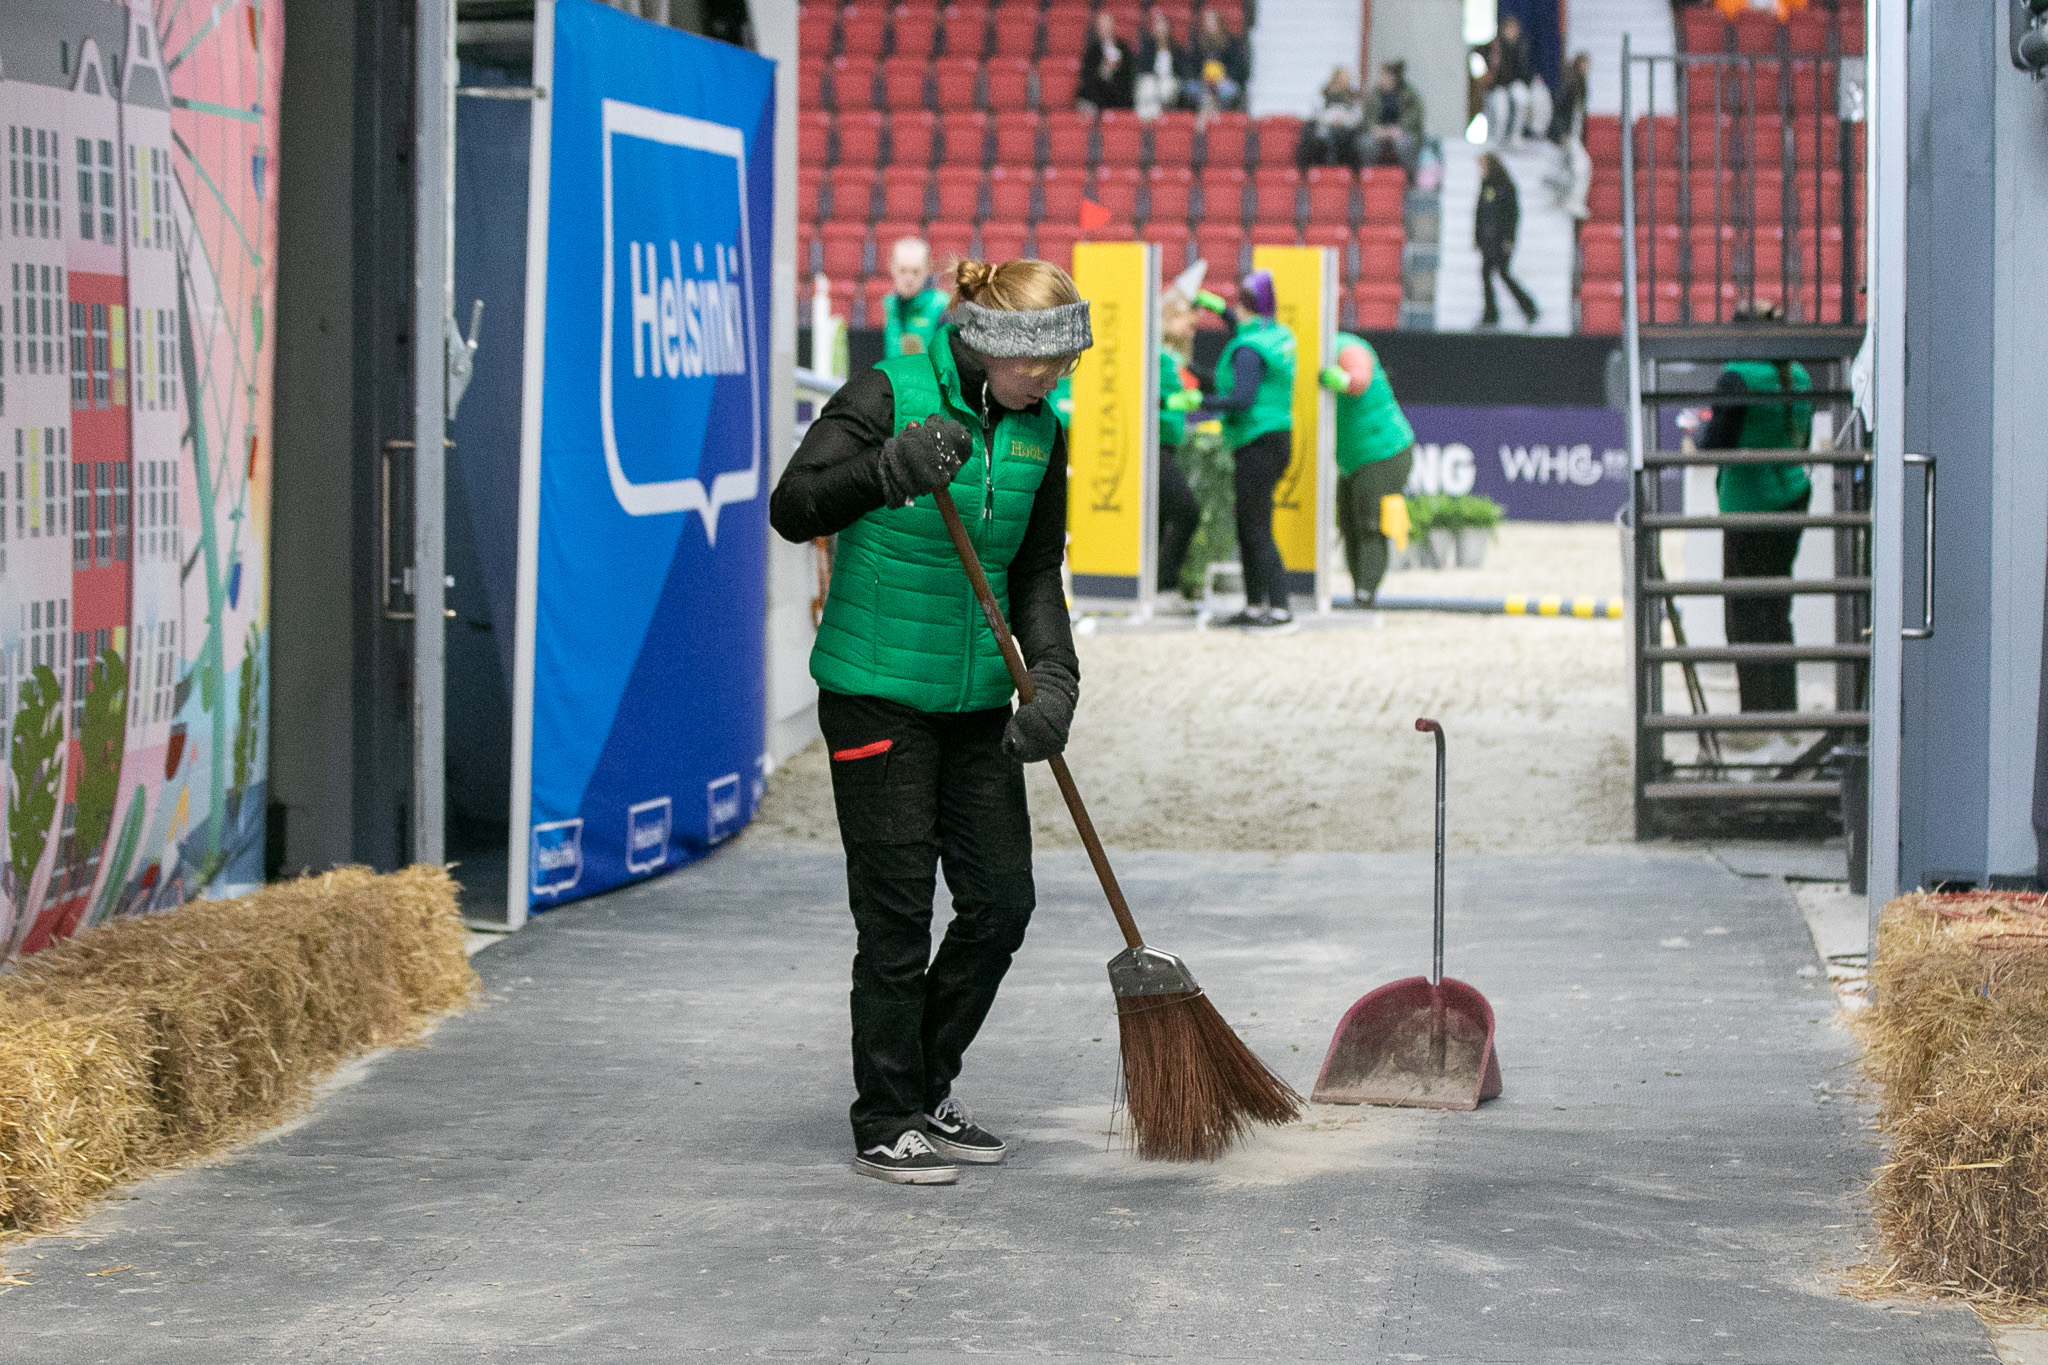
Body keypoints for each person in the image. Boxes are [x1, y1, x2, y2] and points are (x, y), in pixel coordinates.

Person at [768, 258, 1090, 1186]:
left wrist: (1055, 677)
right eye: (1037, 363)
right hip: (877, 691)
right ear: (986, 342)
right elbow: (793, 505)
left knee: (1002, 902)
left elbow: (1034, 571)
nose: (1049, 380)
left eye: (1064, 364)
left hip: (979, 701)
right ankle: (885, 1115)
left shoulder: (1042, 432)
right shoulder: (888, 391)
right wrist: (887, 469)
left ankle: (925, 1083)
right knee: (898, 917)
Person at [1697, 301, 1813, 731]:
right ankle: (1783, 712)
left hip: (1748, 503)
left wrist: (1698, 433)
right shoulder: (1798, 373)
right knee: (1776, 610)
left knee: (1744, 616)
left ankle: (1757, 718)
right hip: (1792, 494)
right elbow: (1800, 440)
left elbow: (1716, 443)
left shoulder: (1738, 375)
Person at [1195, 270, 1298, 630]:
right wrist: (1216, 308)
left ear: (1245, 307)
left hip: (1256, 442)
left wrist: (1197, 400)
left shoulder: (1249, 350)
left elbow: (1240, 400)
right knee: (1248, 525)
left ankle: (1280, 608)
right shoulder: (1277, 335)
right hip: (1276, 438)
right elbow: (1239, 324)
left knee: (1255, 528)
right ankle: (1255, 606)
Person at [1320, 332, 1415, 606]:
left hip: (1383, 451)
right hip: (1351, 459)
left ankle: (1365, 593)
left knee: (1370, 524)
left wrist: (1339, 380)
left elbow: (1359, 381)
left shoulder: (1347, 347)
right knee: (1348, 524)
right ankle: (1359, 590)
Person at [1156, 286, 1205, 596]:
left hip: (1170, 443)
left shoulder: (1175, 357)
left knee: (1163, 516)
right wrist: (1171, 403)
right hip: (1155, 445)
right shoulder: (1156, 354)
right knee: (1186, 511)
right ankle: (1165, 583)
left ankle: (1159, 585)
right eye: (1188, 321)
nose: (1193, 329)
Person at [1475, 153, 1538, 328]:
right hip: (1488, 240)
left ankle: (1528, 308)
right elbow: (1480, 213)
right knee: (1488, 274)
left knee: (1503, 273)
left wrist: (1509, 238)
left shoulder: (1506, 186)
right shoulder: (1486, 185)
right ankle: (1492, 314)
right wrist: (1477, 237)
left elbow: (1512, 215)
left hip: (1500, 240)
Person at [881, 237, 950, 359]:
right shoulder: (889, 303)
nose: (909, 279)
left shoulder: (942, 305)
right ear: (891, 266)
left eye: (916, 271)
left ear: (928, 269)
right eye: (903, 270)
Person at [1544, 51, 1592, 219]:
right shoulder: (1570, 84)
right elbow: (1559, 110)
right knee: (1581, 166)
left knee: (1565, 168)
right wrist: (1561, 132)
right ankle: (1574, 201)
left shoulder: (1580, 85)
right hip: (1568, 134)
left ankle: (1561, 198)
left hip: (1573, 134)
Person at [1364, 60, 1425, 178]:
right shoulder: (1375, 94)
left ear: (1393, 78)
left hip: (1402, 132)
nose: (1381, 79)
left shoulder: (1410, 94)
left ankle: (1408, 178)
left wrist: (1398, 129)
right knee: (1366, 144)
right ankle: (1371, 177)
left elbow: (1414, 117)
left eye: (1384, 76)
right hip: (1378, 132)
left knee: (1404, 145)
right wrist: (1376, 129)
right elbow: (1368, 118)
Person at [1296, 67, 1364, 171]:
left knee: (1350, 141)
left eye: (1345, 80)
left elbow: (1357, 117)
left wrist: (1343, 121)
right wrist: (1331, 119)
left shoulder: (1353, 97)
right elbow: (1316, 113)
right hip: (1325, 130)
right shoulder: (1323, 94)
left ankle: (1349, 172)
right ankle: (1307, 171)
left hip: (1346, 131)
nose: (1342, 83)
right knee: (1311, 137)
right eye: (1340, 79)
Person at [1483, 14, 1537, 144]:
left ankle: (1516, 135)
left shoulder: (1522, 47)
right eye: (1509, 29)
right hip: (1498, 87)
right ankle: (1497, 139)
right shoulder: (1495, 47)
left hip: (1515, 85)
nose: (1511, 32)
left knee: (1521, 98)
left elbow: (1526, 70)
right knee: (1500, 110)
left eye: (1514, 29)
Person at [1187, 6, 1247, 112]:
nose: (1210, 24)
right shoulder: (1197, 43)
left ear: (1219, 22)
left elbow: (1238, 66)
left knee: (1228, 90)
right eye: (1207, 21)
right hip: (1202, 81)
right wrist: (1204, 78)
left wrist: (1223, 77)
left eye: (1212, 21)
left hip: (1224, 81)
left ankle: (1216, 115)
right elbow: (1191, 65)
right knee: (1191, 88)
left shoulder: (1231, 43)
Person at [1135, 7, 1190, 118]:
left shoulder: (1176, 48)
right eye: (1158, 26)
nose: (1161, 30)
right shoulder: (1148, 47)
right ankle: (1143, 117)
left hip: (1169, 79)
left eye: (1163, 26)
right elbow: (1143, 68)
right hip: (1151, 78)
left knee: (1166, 87)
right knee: (1148, 85)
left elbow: (1180, 70)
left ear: (1169, 28)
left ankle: (1156, 117)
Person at [1078, 11, 1136, 113]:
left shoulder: (1124, 48)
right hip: (1097, 95)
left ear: (1113, 26)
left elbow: (1129, 74)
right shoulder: (1092, 50)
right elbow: (1087, 77)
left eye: (1108, 25)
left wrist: (1116, 68)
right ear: (1098, 29)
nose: (1106, 29)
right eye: (1102, 26)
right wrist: (1104, 70)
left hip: (1119, 96)